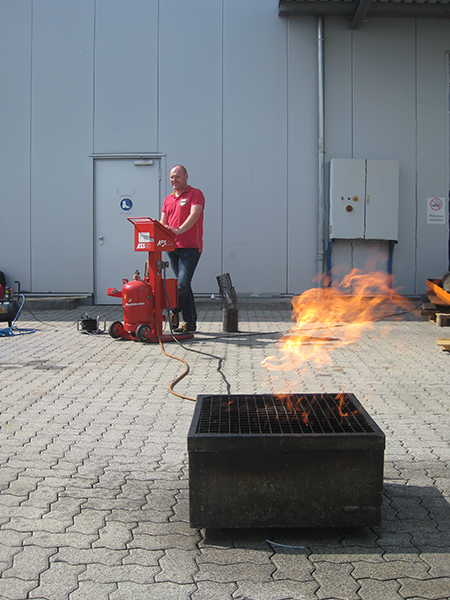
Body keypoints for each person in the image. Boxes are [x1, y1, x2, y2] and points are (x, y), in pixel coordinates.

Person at [160, 165, 205, 333]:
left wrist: (178, 230)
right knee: (185, 285)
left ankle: (174, 311)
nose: (174, 180)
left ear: (186, 177)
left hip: (190, 248)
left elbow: (195, 215)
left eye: (177, 177)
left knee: (182, 285)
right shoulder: (168, 199)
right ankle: (190, 323)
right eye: (172, 177)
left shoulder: (195, 194)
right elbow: (162, 222)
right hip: (172, 248)